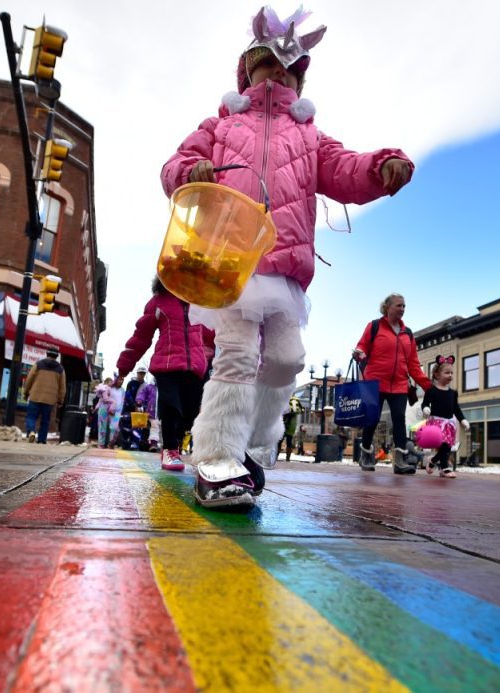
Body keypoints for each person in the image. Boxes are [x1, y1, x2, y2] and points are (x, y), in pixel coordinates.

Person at [162, 6, 413, 508]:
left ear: (298, 76)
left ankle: (249, 447)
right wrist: (191, 173)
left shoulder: (310, 133)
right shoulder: (221, 122)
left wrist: (381, 164)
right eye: (267, 64)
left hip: (286, 268)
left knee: (285, 361)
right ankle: (215, 459)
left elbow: (345, 168)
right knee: (235, 355)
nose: (278, 73)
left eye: (288, 68)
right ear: (249, 68)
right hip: (229, 261)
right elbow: (178, 164)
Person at [116, 278, 214, 471]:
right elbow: (141, 337)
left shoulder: (201, 302)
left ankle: (176, 443)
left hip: (196, 367)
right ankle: (170, 448)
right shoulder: (159, 302)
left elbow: (213, 332)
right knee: (171, 407)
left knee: (191, 412)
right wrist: (124, 366)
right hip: (167, 364)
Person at [352, 293, 431, 474]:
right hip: (375, 382)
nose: (402, 309)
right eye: (398, 305)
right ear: (387, 307)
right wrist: (359, 352)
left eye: (404, 306)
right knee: (372, 419)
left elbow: (413, 364)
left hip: (399, 385)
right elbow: (362, 345)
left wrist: (428, 387)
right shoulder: (374, 326)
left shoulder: (407, 333)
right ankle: (366, 455)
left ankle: (400, 461)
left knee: (399, 420)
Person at [419, 356, 469, 478]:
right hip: (436, 422)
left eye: (451, 373)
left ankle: (433, 461)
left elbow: (456, 408)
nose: (450, 375)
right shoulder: (431, 391)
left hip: (449, 423)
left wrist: (463, 419)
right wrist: (425, 408)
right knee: (443, 446)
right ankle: (445, 468)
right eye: (447, 372)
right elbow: (425, 403)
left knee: (446, 447)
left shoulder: (453, 393)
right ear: (437, 375)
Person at [23, 349, 66, 444]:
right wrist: (60, 400)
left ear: (47, 354)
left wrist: (26, 392)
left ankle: (31, 432)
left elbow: (29, 379)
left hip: (35, 396)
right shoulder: (60, 369)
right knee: (45, 420)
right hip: (50, 400)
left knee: (31, 417)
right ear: (56, 356)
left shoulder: (38, 364)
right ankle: (42, 440)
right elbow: (62, 387)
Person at [97, 373, 125, 449]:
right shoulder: (109, 387)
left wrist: (120, 410)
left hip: (116, 412)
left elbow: (122, 401)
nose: (121, 381)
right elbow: (101, 396)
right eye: (119, 379)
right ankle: (101, 444)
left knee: (114, 428)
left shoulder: (123, 390)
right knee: (102, 427)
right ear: (116, 380)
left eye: (122, 379)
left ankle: (111, 443)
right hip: (105, 409)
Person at [281, 394, 303, 462]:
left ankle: (276, 455)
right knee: (289, 441)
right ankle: (288, 458)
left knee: (279, 440)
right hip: (292, 425)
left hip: (284, 423)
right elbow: (301, 410)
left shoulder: (287, 399)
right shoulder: (296, 401)